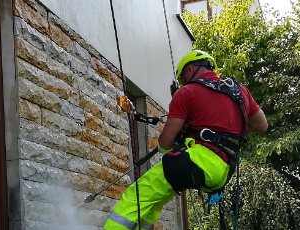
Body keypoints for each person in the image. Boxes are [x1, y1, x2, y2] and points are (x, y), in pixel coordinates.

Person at [104, 50, 268, 230]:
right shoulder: (241, 92)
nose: (183, 82)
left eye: (182, 78)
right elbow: (261, 125)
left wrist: (171, 146)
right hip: (223, 171)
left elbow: (165, 142)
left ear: (190, 70)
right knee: (153, 202)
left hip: (195, 162)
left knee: (134, 197)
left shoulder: (187, 92)